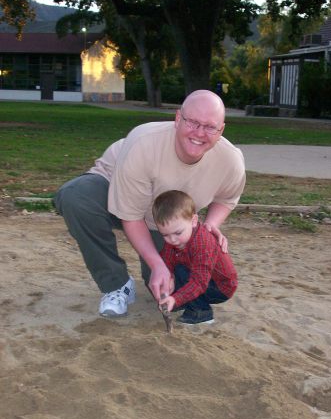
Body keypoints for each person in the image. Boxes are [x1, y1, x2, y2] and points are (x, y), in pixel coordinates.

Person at [54, 89, 245, 318]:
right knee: (76, 197)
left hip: (165, 220)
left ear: (221, 129)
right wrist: (157, 264)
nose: (200, 133)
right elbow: (131, 216)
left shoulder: (230, 160)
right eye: (192, 122)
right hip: (117, 194)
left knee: (172, 289)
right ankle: (116, 285)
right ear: (177, 118)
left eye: (210, 127)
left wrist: (210, 225)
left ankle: (154, 274)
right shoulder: (144, 143)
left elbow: (226, 198)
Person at [152, 190, 238, 325]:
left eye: (177, 233)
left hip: (220, 287)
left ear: (193, 221)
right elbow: (167, 258)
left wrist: (176, 299)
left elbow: (199, 282)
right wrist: (169, 277)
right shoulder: (176, 237)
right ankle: (183, 302)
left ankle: (201, 312)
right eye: (165, 235)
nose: (172, 240)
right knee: (176, 271)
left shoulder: (203, 243)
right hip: (200, 275)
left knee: (182, 272)